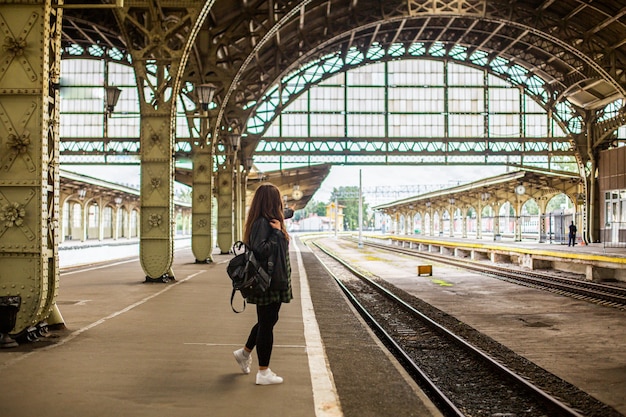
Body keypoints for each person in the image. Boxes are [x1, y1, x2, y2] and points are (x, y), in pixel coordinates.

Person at [233, 183, 292, 385]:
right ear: (271, 202)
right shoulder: (262, 224)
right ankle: (263, 372)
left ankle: (244, 353)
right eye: (278, 200)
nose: (281, 204)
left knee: (268, 320)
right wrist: (277, 233)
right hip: (267, 282)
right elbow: (261, 250)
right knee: (267, 324)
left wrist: (279, 229)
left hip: (274, 280)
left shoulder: (270, 221)